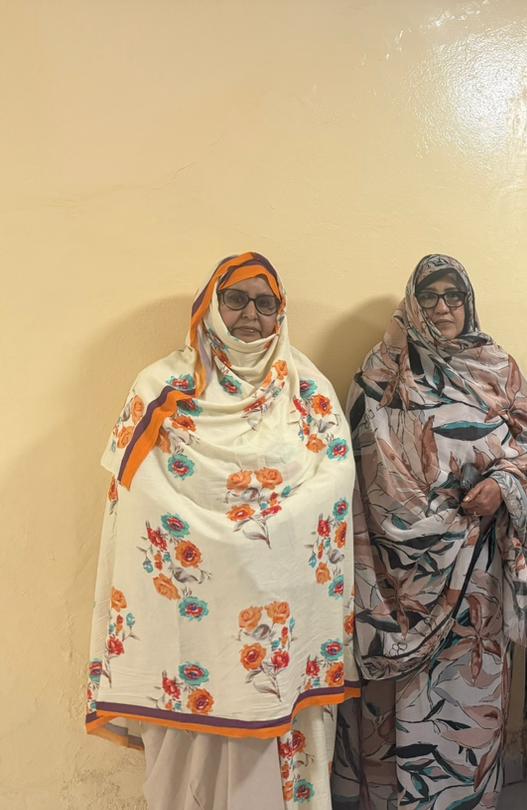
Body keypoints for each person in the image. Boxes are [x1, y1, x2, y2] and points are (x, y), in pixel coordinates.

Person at [85, 253, 357, 810]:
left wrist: (261, 536)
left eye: (265, 302)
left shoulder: (308, 391)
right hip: (192, 614)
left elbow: (335, 475)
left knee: (282, 732)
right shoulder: (160, 386)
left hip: (280, 617)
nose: (251, 315)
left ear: (280, 312)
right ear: (210, 306)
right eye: (236, 299)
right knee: (191, 758)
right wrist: (226, 541)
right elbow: (137, 488)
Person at [331, 254, 527, 810]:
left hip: (479, 568)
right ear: (412, 302)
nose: (443, 307)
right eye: (430, 296)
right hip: (402, 573)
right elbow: (363, 457)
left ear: (468, 303)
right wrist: (430, 526)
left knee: (472, 691)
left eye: (454, 296)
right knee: (404, 697)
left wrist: (501, 483)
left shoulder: (497, 366)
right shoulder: (386, 368)